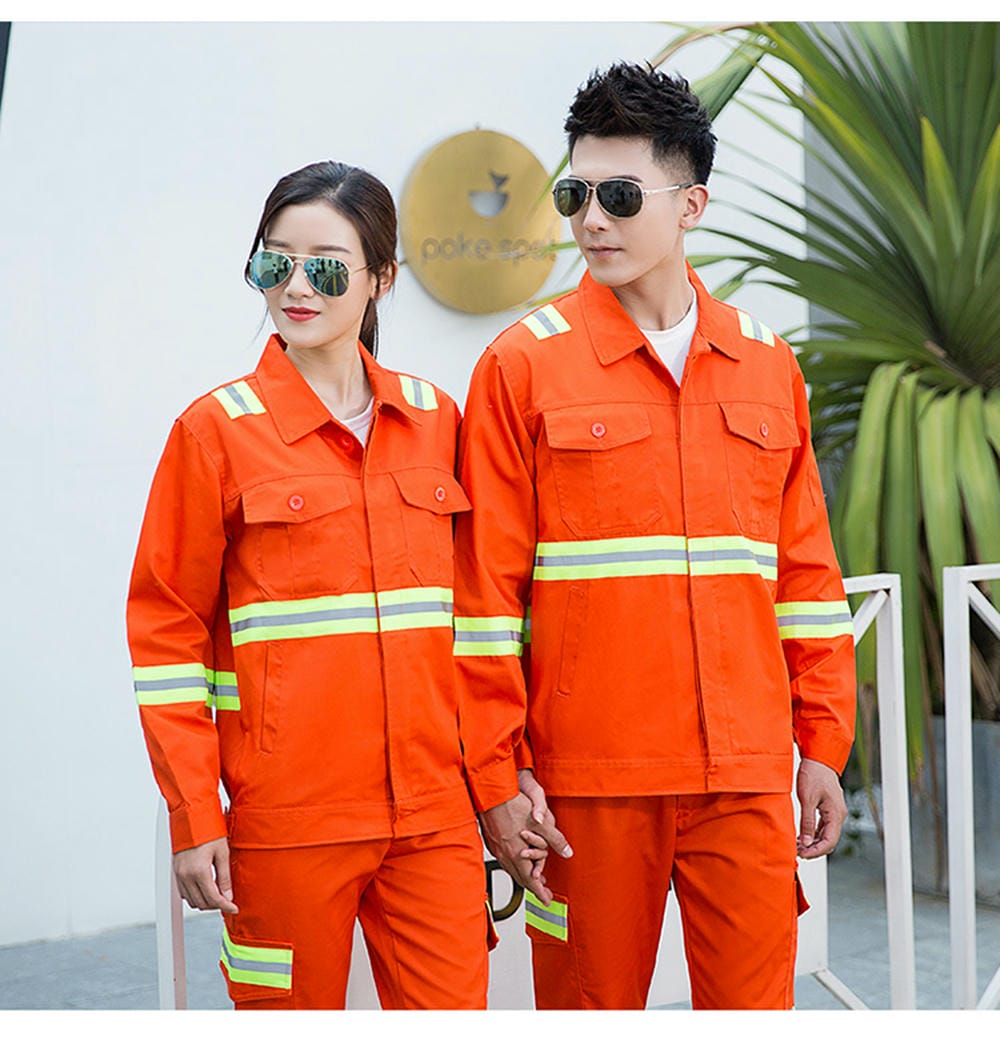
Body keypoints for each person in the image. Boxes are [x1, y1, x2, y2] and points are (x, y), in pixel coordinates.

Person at [453, 63, 857, 1010]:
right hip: (587, 785)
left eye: (621, 197)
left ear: (691, 206)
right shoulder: (521, 368)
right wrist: (497, 773)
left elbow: (806, 578)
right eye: (576, 195)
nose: (592, 220)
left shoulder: (765, 364)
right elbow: (483, 597)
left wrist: (823, 744)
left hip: (744, 776)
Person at [127, 160, 497, 1010]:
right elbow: (166, 638)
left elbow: (483, 618)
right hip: (285, 825)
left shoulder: (436, 420)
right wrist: (195, 816)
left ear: (381, 279)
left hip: (434, 818)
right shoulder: (214, 434)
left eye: (326, 268)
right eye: (275, 262)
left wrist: (496, 785)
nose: (295, 288)